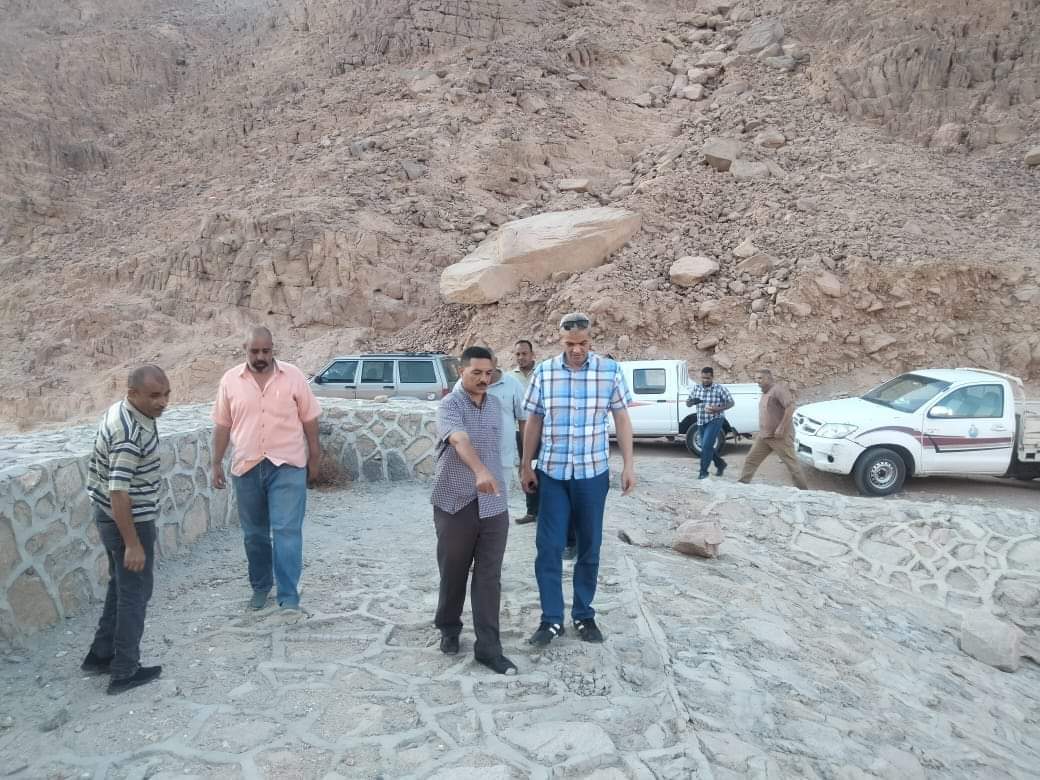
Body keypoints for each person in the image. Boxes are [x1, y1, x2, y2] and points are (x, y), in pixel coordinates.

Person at [521, 312, 636, 646]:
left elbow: (622, 418)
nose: (576, 350)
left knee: (589, 545)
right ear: (560, 340)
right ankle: (551, 619)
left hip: (592, 473)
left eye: (583, 343)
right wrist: (526, 465)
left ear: (591, 339)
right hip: (553, 473)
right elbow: (534, 420)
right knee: (548, 547)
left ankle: (584, 615)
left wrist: (629, 465)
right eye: (570, 343)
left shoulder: (609, 371)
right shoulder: (544, 372)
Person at [211, 327, 322, 611]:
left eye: (266, 351)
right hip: (246, 467)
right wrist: (216, 462)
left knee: (286, 531)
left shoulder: (293, 377)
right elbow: (222, 424)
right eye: (254, 351)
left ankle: (288, 596)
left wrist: (315, 457)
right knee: (254, 535)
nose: (260, 357)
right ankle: (260, 587)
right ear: (244, 349)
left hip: (287, 465)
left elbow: (310, 419)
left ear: (273, 349)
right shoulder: (230, 381)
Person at [82, 365, 170, 695]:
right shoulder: (130, 434)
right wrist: (133, 543)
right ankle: (124, 671)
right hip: (127, 521)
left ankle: (101, 654)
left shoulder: (124, 410)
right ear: (133, 393)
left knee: (120, 586)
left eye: (166, 394)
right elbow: (118, 492)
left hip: (108, 516)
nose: (162, 402)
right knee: (135, 592)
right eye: (154, 396)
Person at [432, 346, 517, 675]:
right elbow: (459, 440)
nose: (484, 379)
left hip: (493, 502)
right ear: (461, 372)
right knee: (453, 570)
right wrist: (479, 471)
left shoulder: (495, 405)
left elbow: (497, 448)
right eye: (476, 373)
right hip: (455, 501)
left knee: (489, 576)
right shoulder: (449, 405)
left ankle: (488, 648)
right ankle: (449, 627)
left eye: (489, 373)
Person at [739, 369, 809, 490]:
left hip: (779, 437)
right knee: (751, 459)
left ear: (768, 378)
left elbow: (790, 407)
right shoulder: (765, 392)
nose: (757, 381)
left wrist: (781, 427)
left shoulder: (778, 390)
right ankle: (742, 484)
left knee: (792, 465)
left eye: (760, 378)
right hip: (764, 436)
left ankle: (804, 492)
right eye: (756, 378)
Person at [510, 340, 539, 526]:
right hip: (520, 432)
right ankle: (531, 511)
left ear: (532, 354)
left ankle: (547, 511)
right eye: (517, 354)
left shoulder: (543, 373)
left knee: (544, 471)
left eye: (524, 353)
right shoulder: (510, 378)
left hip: (544, 431)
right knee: (526, 468)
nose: (521, 357)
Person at [686, 366, 734, 480]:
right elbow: (688, 403)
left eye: (707, 378)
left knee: (706, 446)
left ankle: (703, 472)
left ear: (712, 377)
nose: (705, 380)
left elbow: (731, 403)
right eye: (703, 378)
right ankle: (720, 464)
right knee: (706, 446)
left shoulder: (719, 389)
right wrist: (692, 402)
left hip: (715, 419)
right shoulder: (696, 388)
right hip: (701, 420)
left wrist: (718, 408)